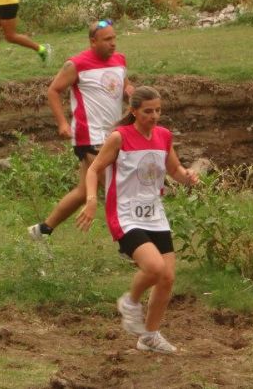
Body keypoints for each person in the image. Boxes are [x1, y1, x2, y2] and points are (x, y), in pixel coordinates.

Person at [75, 86, 199, 354]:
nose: (154, 116)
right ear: (133, 111)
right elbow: (94, 169)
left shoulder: (164, 136)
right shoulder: (120, 137)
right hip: (125, 213)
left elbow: (174, 169)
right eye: (148, 111)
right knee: (154, 268)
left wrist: (187, 176)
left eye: (158, 110)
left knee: (166, 277)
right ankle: (130, 302)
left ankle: (149, 337)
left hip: (154, 213)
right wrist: (91, 201)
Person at [27, 19, 134, 241]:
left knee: (84, 192)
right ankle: (128, 243)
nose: (113, 43)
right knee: (114, 187)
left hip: (113, 135)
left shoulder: (120, 60)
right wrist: (62, 123)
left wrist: (131, 93)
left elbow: (125, 86)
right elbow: (54, 91)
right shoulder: (76, 64)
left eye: (114, 38)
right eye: (107, 39)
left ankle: (42, 230)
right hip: (89, 135)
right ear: (93, 41)